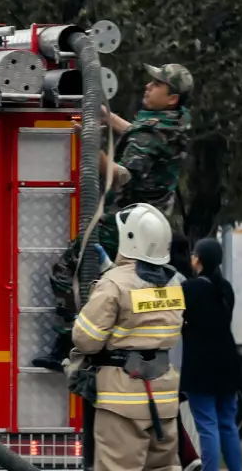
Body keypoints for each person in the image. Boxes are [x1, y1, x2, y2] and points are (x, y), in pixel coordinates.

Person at [69, 203, 199, 471]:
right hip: (163, 398)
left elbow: (86, 339)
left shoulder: (115, 283)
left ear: (129, 238)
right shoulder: (174, 283)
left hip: (122, 399)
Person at [34, 63, 194, 371]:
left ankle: (70, 341)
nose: (148, 86)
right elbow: (141, 135)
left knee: (67, 269)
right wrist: (112, 119)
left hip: (128, 223)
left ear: (172, 97)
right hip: (152, 223)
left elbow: (122, 176)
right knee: (107, 278)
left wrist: (90, 143)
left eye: (156, 84)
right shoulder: (176, 122)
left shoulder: (150, 136)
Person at [179, 238, 242, 471]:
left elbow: (176, 318)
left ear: (198, 259)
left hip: (201, 364)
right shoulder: (225, 289)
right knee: (227, 423)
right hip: (228, 363)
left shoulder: (189, 288)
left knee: (206, 423)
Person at [168, 233, 205, 471]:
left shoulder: (169, 280)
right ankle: (190, 457)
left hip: (167, 354)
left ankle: (186, 458)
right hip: (182, 353)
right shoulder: (185, 280)